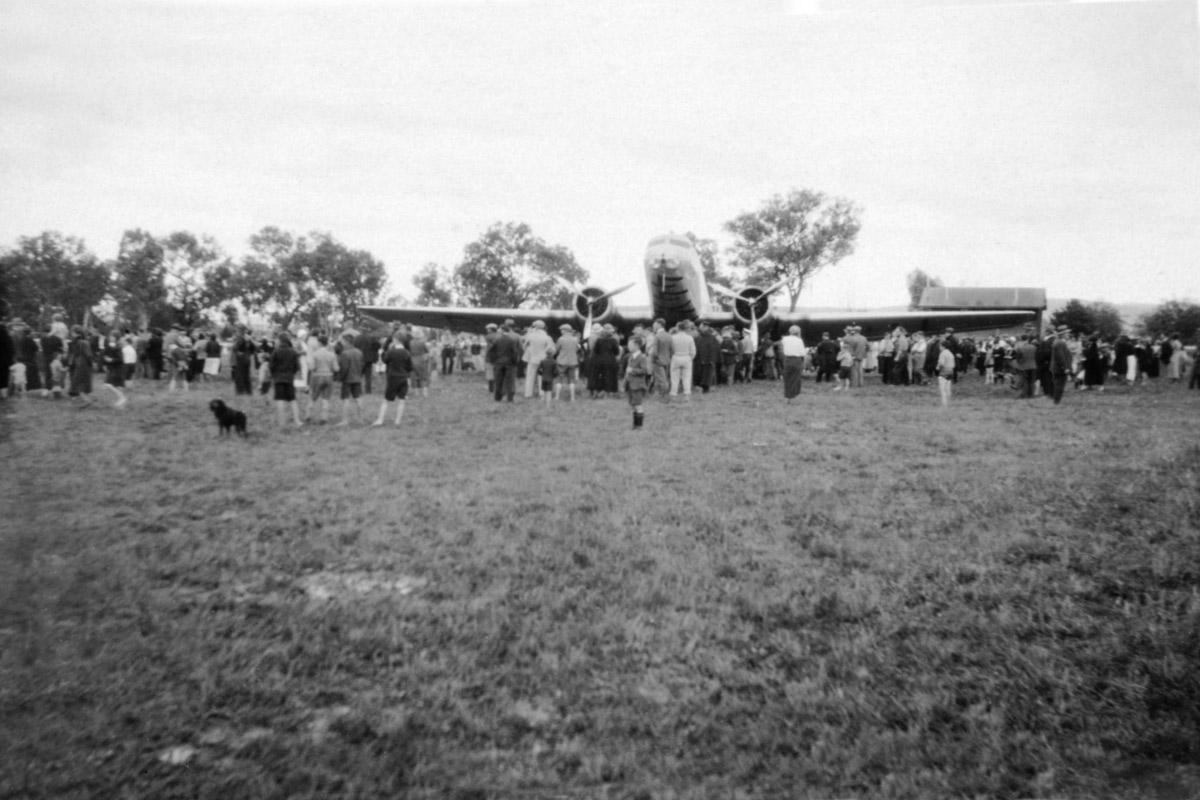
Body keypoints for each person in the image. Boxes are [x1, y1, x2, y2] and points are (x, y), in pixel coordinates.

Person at [375, 333, 413, 426]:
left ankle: (380, 420)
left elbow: (384, 361)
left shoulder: (391, 352)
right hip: (403, 377)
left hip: (392, 377)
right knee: (401, 400)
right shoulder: (407, 353)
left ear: (396, 340)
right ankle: (397, 421)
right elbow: (410, 367)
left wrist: (380, 354)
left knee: (386, 400)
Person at [269, 334, 304, 428]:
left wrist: (274, 374)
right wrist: (291, 373)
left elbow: (271, 365)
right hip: (289, 378)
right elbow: (297, 366)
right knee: (293, 400)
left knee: (280, 400)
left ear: (280, 341)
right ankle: (297, 421)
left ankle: (282, 423)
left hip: (278, 378)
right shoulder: (293, 352)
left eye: (276, 340)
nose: (275, 342)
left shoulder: (276, 351)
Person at [304, 335, 339, 423]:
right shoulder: (332, 355)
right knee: (326, 398)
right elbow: (336, 368)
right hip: (329, 376)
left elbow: (312, 367)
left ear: (319, 343)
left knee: (313, 397)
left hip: (317, 376)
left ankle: (308, 416)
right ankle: (324, 418)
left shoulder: (315, 354)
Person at [335, 333, 366, 426]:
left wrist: (339, 378)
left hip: (347, 379)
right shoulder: (359, 352)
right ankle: (360, 419)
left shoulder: (344, 353)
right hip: (357, 378)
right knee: (358, 398)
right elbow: (362, 365)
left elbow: (344, 368)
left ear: (346, 342)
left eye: (342, 341)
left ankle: (345, 420)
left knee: (346, 399)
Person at [488, 322, 521, 402]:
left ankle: (497, 397)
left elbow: (491, 351)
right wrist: (515, 362)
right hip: (510, 363)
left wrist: (494, 360)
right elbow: (515, 352)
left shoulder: (497, 340)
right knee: (509, 381)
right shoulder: (512, 340)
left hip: (499, 363)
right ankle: (510, 398)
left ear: (502, 330)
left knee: (498, 381)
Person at [623, 334, 651, 429]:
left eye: (630, 344)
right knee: (633, 405)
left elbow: (645, 370)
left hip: (638, 385)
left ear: (637, 345)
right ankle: (635, 424)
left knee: (638, 405)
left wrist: (633, 371)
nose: (628, 346)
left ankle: (639, 426)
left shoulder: (642, 357)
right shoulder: (631, 357)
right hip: (631, 384)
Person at [522, 320, 555, 398]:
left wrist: (528, 353)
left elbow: (524, 346)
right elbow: (552, 349)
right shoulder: (547, 337)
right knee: (542, 377)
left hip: (532, 359)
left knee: (530, 377)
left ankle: (528, 393)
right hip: (543, 359)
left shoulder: (530, 336)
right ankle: (542, 393)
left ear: (535, 327)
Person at [67, 326, 95, 407]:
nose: (71, 334)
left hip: (80, 364)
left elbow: (84, 354)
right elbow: (89, 355)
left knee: (77, 384)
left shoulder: (78, 342)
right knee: (83, 383)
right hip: (84, 364)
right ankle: (88, 398)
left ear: (75, 333)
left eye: (72, 332)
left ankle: (87, 400)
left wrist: (71, 363)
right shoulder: (85, 341)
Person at [669, 322, 696, 400]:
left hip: (676, 357)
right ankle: (687, 395)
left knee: (674, 377)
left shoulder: (673, 337)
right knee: (687, 377)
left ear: (677, 328)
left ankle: (673, 394)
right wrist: (690, 358)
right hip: (686, 357)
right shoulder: (690, 338)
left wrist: (672, 356)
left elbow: (671, 349)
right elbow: (693, 351)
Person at [555, 325, 581, 401]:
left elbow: (556, 349)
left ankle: (557, 397)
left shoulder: (561, 339)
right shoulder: (575, 339)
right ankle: (572, 398)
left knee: (559, 379)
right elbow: (577, 349)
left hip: (562, 361)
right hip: (573, 361)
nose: (561, 331)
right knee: (572, 380)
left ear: (565, 330)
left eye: (562, 330)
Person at [102, 333, 128, 408]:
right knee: (115, 385)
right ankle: (121, 402)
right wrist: (105, 363)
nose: (110, 337)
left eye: (112, 336)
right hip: (113, 368)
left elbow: (120, 359)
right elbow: (105, 355)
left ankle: (122, 398)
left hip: (118, 368)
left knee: (108, 384)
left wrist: (111, 360)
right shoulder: (109, 345)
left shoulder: (118, 347)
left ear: (116, 338)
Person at [780, 325, 805, 403]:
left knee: (787, 378)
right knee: (795, 378)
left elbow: (782, 348)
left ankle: (788, 396)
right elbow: (802, 352)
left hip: (787, 359)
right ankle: (793, 394)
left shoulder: (784, 339)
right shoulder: (799, 340)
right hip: (797, 360)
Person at [1049, 325, 1073, 405]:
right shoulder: (1060, 343)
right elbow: (1061, 357)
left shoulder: (1058, 341)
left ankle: (1056, 400)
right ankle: (1056, 401)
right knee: (1060, 385)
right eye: (1066, 333)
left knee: (1058, 384)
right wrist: (1065, 367)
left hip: (1056, 367)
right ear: (1062, 334)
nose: (1068, 335)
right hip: (1060, 368)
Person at [650, 319, 673, 398]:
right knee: (662, 377)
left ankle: (664, 394)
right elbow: (671, 349)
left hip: (657, 361)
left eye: (654, 324)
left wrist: (653, 359)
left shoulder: (657, 336)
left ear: (659, 324)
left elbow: (655, 351)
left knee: (661, 379)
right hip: (666, 360)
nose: (653, 326)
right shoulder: (669, 335)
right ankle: (659, 393)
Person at [936, 336, 956, 406]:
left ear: (943, 346)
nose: (939, 347)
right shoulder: (951, 354)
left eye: (940, 346)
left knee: (943, 389)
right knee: (948, 388)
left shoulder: (942, 353)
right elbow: (953, 364)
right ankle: (949, 402)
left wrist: (938, 368)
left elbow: (941, 363)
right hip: (950, 371)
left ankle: (944, 404)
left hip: (944, 372)